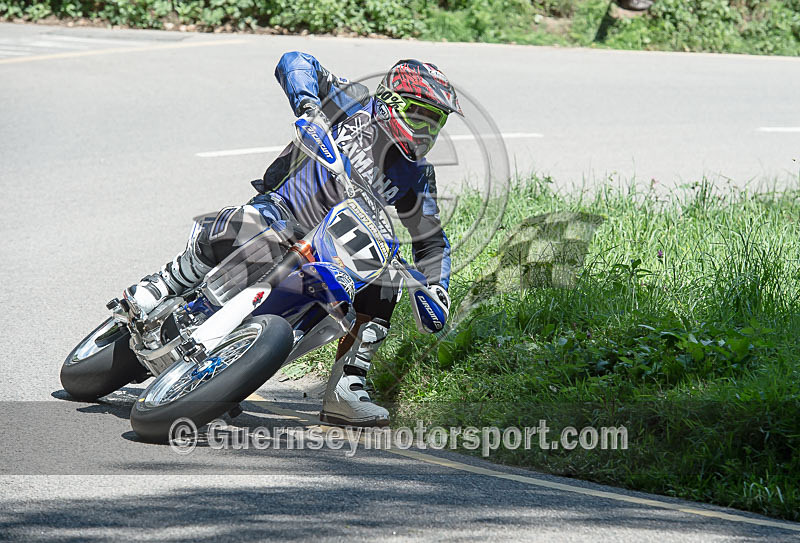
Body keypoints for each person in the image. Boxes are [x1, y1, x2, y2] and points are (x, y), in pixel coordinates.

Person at [124, 51, 460, 427]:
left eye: (437, 122)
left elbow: (430, 239)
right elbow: (296, 61)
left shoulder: (418, 174)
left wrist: (438, 286)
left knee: (386, 285)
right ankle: (166, 281)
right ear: (391, 103)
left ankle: (347, 387)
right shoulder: (353, 103)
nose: (428, 131)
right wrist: (309, 107)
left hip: (338, 247)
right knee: (246, 223)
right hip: (286, 210)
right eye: (421, 116)